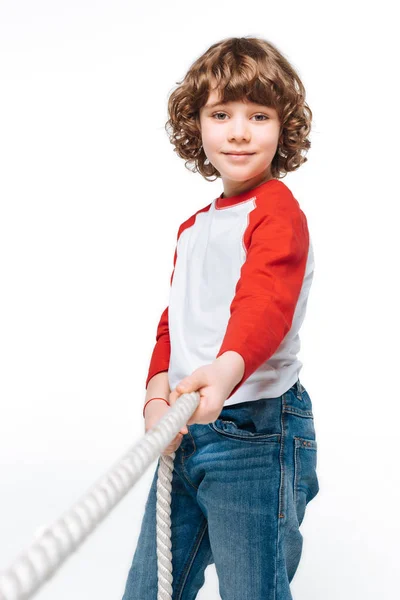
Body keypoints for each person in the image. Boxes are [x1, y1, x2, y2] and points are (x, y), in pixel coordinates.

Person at [121, 36, 319, 600]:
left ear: (283, 128)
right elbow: (174, 321)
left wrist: (227, 369)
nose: (238, 131)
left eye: (259, 115)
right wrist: (157, 390)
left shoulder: (277, 212)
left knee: (252, 589)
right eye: (221, 114)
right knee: (150, 587)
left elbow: (266, 301)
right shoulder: (193, 227)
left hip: (255, 432)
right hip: (187, 429)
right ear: (198, 125)